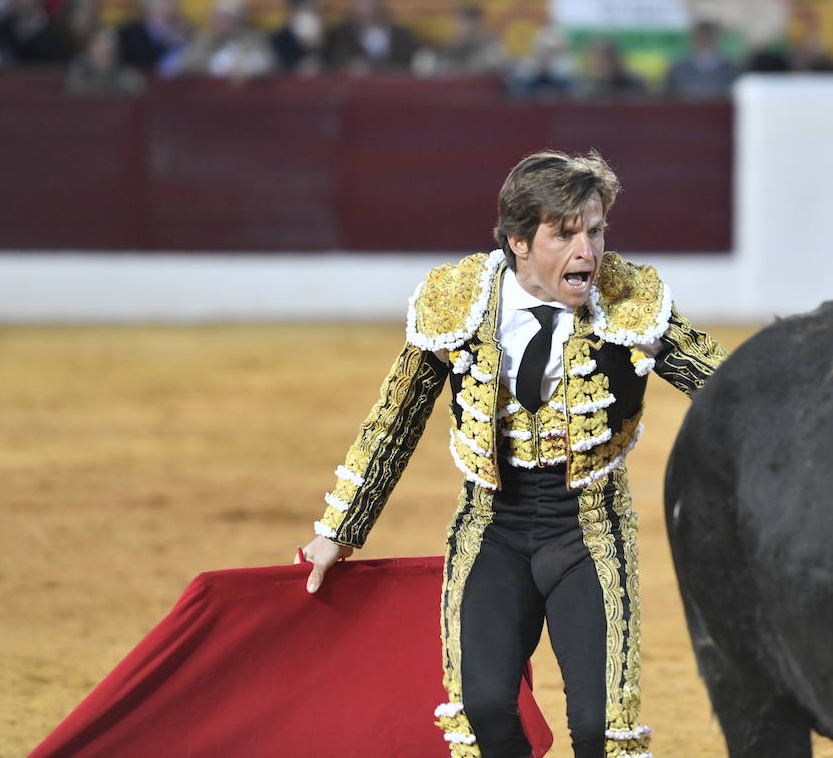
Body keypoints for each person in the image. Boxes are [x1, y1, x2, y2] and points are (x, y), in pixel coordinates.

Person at [300, 150, 725, 758]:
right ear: (519, 242)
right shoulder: (458, 302)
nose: (588, 251)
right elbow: (396, 418)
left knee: (603, 732)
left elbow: (727, 388)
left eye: (597, 230)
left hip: (591, 532)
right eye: (566, 234)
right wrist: (339, 528)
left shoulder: (631, 300)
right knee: (481, 714)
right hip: (489, 527)